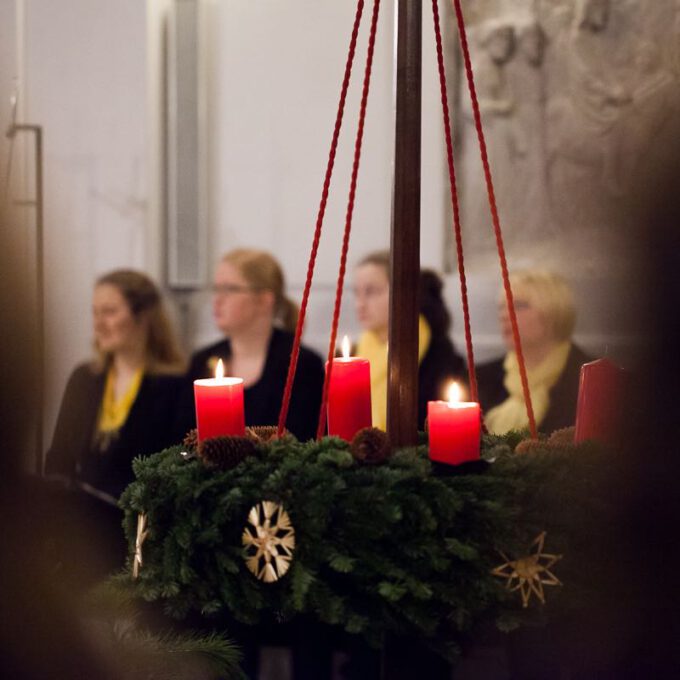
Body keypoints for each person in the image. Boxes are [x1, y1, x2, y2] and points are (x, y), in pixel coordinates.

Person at [45, 269, 187, 575]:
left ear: (143, 317)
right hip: (80, 542)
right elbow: (59, 457)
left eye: (109, 312)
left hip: (141, 548)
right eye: (95, 312)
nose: (98, 323)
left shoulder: (174, 386)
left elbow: (174, 471)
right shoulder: (85, 379)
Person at [186, 248, 324, 442]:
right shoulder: (201, 361)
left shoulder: (301, 365)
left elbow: (305, 443)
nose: (217, 300)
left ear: (264, 300)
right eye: (216, 289)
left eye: (229, 289)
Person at [353, 251, 465, 431]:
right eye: (356, 293)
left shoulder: (440, 359)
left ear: (402, 293)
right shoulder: (358, 353)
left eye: (371, 292)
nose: (360, 303)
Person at [476, 269, 589, 435]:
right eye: (502, 307)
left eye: (519, 306)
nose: (505, 315)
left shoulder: (594, 381)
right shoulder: (478, 379)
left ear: (554, 312)